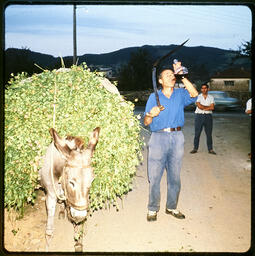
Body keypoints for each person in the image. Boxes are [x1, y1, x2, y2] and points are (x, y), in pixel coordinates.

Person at [144, 61, 198, 222]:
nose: (171, 76)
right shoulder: (154, 97)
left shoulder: (180, 94)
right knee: (154, 177)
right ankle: (153, 208)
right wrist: (151, 115)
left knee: (174, 176)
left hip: (177, 137)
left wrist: (182, 76)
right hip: (158, 137)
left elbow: (194, 94)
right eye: (167, 75)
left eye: (172, 74)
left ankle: (171, 207)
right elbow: (146, 122)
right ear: (160, 81)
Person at [190, 83, 216, 155]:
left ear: (208, 89)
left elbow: (212, 107)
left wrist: (203, 107)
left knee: (209, 134)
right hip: (199, 116)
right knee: (197, 133)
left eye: (205, 88)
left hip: (208, 117)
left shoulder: (211, 97)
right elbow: (199, 106)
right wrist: (207, 107)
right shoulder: (198, 97)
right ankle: (195, 148)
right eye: (202, 88)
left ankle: (210, 149)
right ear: (201, 89)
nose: (204, 89)